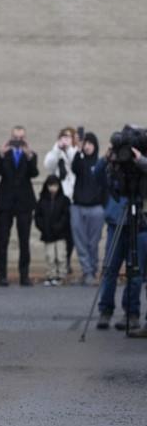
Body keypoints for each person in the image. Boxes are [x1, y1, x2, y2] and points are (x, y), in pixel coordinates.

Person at [97, 145, 147, 332]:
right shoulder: (114, 164)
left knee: (135, 272)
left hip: (139, 223)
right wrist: (106, 158)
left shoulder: (141, 165)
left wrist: (140, 160)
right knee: (110, 268)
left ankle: (132, 313)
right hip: (116, 220)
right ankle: (105, 311)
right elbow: (97, 177)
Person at [0, 125, 39, 287]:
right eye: (15, 138)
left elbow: (34, 173)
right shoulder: (4, 154)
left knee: (24, 240)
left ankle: (24, 275)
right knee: (3, 240)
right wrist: (0, 154)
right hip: (5, 201)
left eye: (21, 139)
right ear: (11, 138)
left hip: (24, 202)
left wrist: (29, 156)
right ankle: (2, 275)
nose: (18, 142)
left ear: (25, 139)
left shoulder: (31, 155)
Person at [69, 132, 107, 285]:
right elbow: (74, 167)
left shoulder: (100, 164)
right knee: (80, 242)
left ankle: (93, 270)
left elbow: (105, 186)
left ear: (95, 146)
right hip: (78, 207)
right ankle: (86, 272)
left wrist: (103, 206)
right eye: (86, 144)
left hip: (96, 208)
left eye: (90, 143)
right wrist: (78, 150)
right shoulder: (80, 162)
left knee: (93, 242)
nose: (87, 146)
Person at [45, 126, 79, 272]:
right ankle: (57, 263)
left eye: (69, 136)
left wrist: (69, 149)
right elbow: (49, 166)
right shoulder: (55, 151)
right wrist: (57, 150)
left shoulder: (76, 151)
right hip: (59, 197)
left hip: (72, 197)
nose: (66, 139)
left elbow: (76, 165)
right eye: (63, 136)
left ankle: (67, 260)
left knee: (70, 233)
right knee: (59, 231)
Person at [34, 175, 70, 286]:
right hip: (47, 233)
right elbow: (37, 216)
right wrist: (43, 227)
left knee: (60, 256)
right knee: (50, 256)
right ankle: (51, 275)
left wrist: (59, 226)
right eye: (50, 185)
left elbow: (66, 216)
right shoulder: (42, 200)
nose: (52, 188)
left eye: (55, 185)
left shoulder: (64, 200)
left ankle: (61, 276)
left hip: (61, 233)